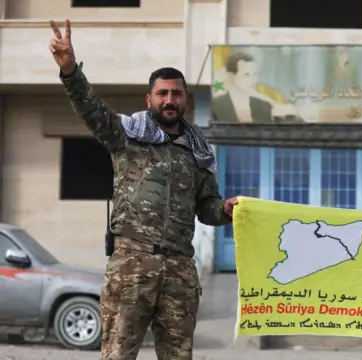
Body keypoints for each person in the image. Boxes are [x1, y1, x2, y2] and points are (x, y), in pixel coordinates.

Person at [48, 19, 237, 360]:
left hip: (179, 269)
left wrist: (225, 210)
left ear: (186, 100)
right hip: (131, 264)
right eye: (162, 93)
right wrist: (70, 70)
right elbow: (91, 110)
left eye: (175, 93)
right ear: (149, 98)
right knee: (118, 354)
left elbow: (206, 207)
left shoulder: (200, 152)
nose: (169, 100)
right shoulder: (127, 135)